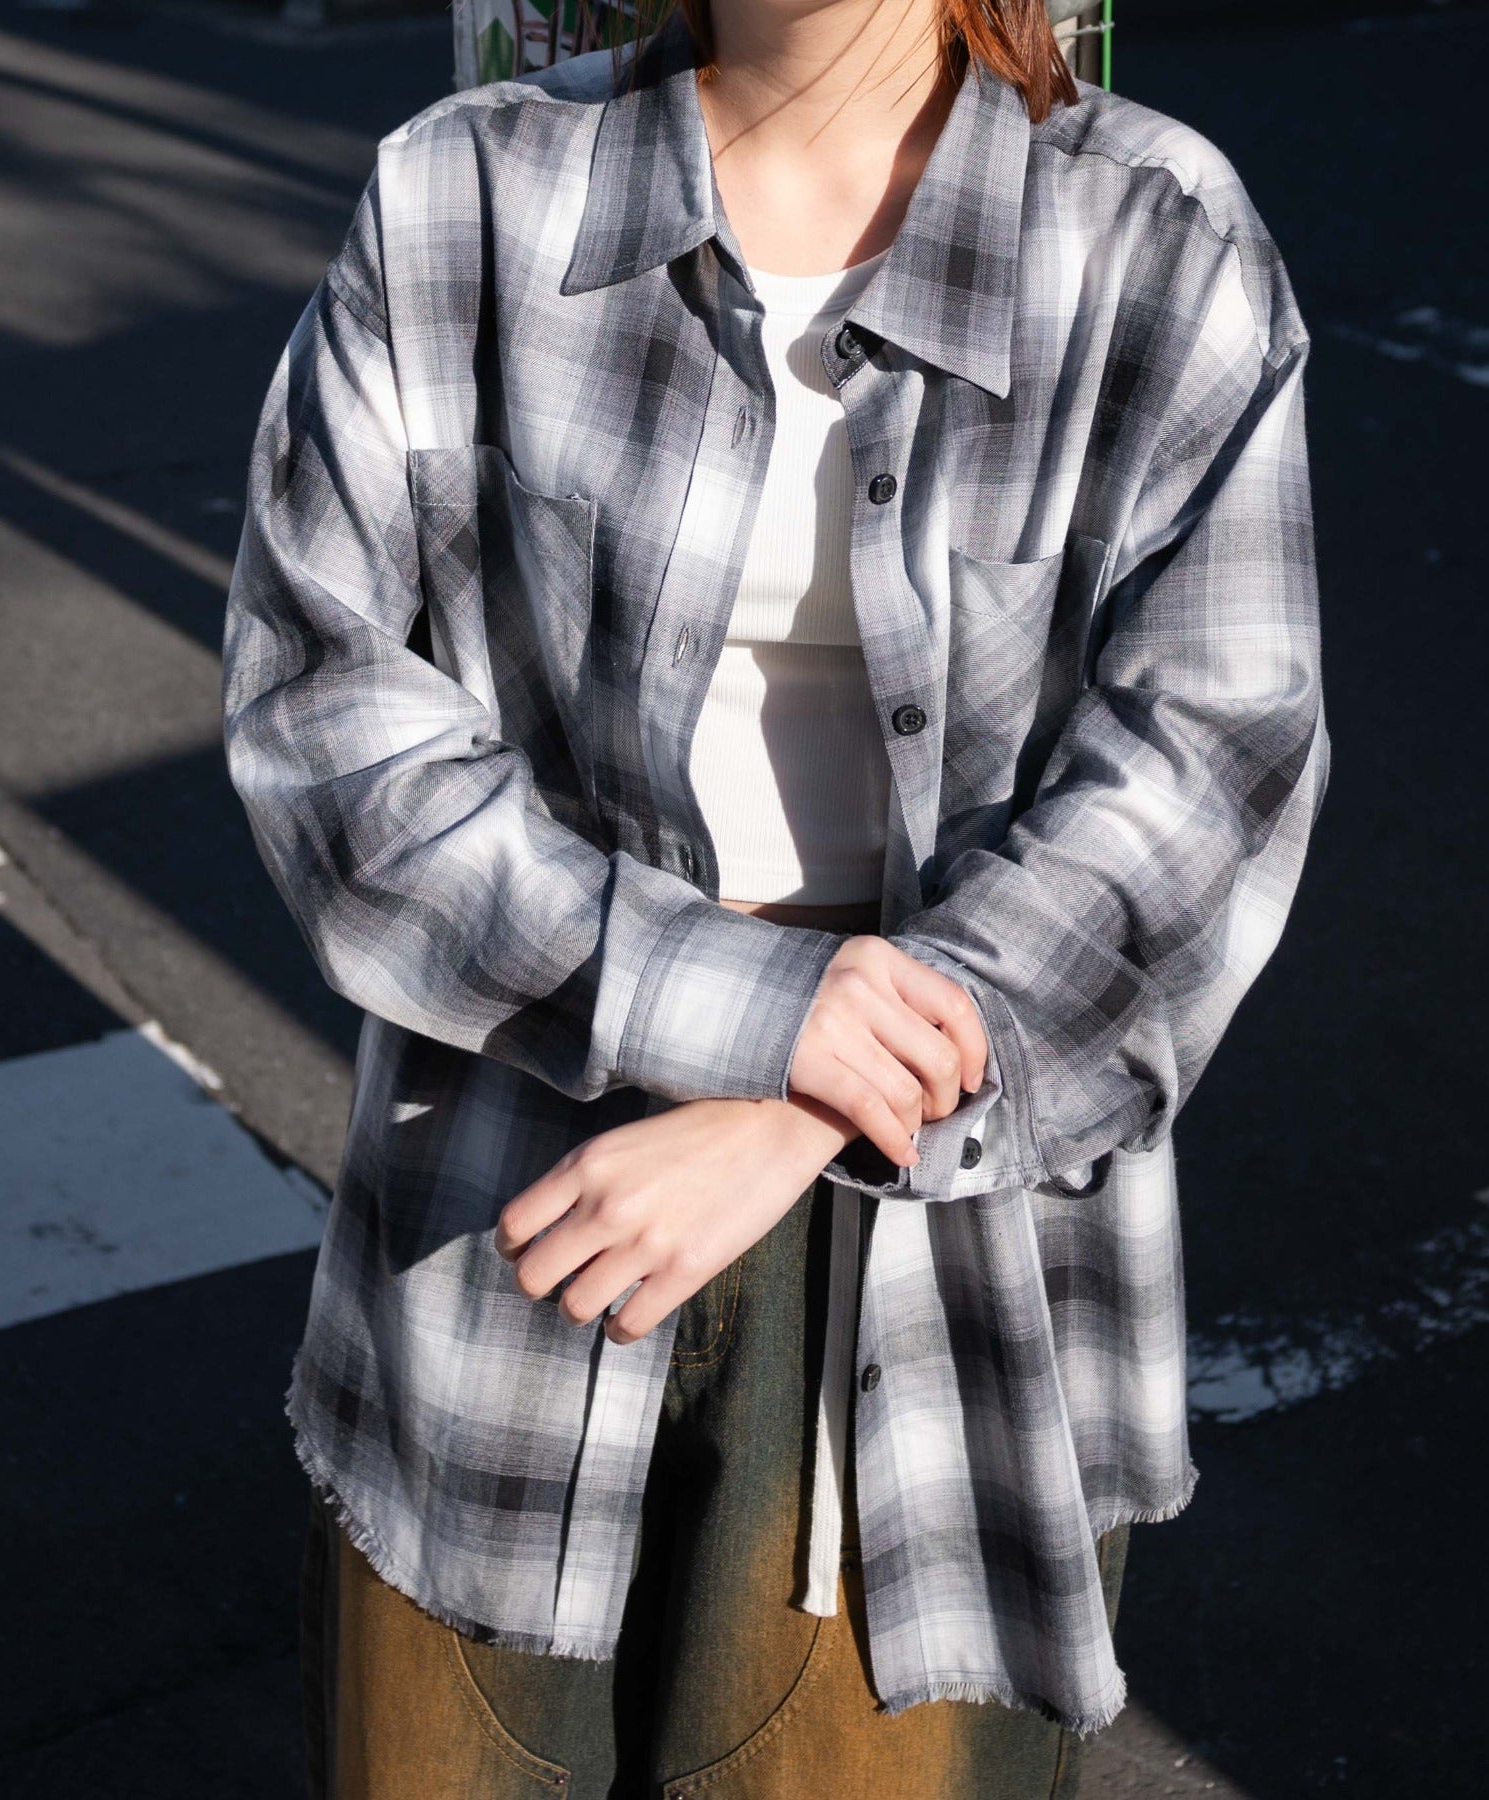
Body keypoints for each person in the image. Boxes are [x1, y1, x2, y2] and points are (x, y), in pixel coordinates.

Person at [221, 0, 1329, 1792]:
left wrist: (810, 1097)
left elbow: (1211, 778)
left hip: (962, 1242)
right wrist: (765, 1012)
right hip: (511, 1200)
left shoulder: (1151, 235)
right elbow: (323, 718)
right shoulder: (467, 196)